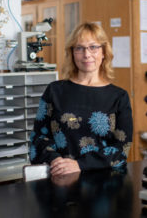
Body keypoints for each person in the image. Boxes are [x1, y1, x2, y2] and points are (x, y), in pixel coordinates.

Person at [29, 22, 133, 176]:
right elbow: (38, 137)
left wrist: (80, 164)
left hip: (104, 184)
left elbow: (122, 148)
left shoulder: (119, 97)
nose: (86, 54)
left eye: (93, 47)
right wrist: (55, 159)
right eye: (79, 48)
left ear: (104, 51)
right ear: (72, 53)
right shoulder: (55, 91)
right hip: (61, 176)